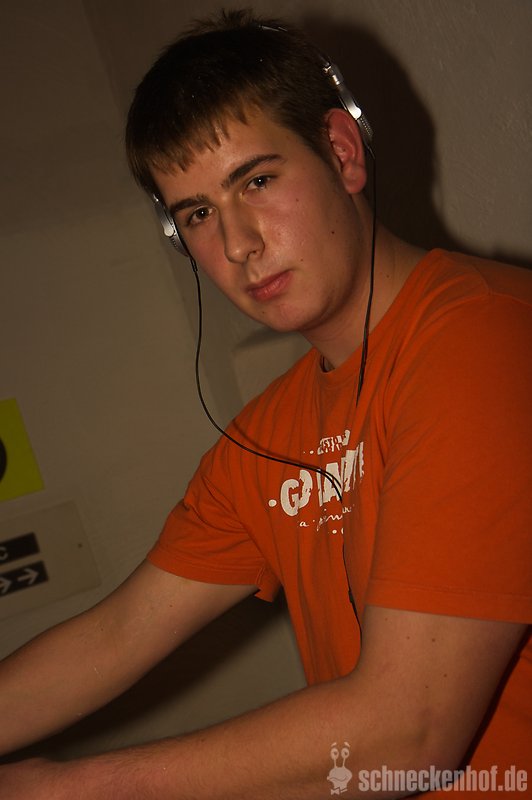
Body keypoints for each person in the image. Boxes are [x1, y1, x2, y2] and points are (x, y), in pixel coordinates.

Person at [1, 9, 530, 798]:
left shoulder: (485, 339)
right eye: (197, 214)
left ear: (342, 152)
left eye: (256, 180)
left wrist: (65, 789)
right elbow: (119, 634)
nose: (238, 243)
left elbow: (409, 727)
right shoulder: (264, 438)